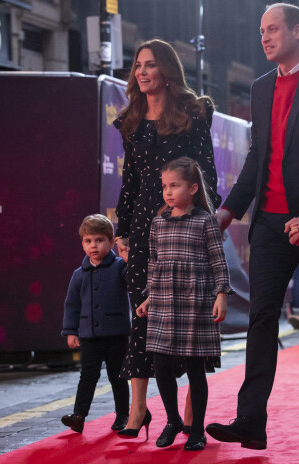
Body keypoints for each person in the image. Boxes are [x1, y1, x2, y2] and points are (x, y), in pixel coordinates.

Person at [206, 3, 299, 450]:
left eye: (272, 29)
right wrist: (228, 211)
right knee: (260, 318)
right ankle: (251, 420)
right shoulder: (259, 87)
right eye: (261, 31)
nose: (264, 38)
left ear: (298, 31)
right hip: (269, 225)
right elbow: (258, 156)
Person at [113, 39, 221, 437]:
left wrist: (205, 220)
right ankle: (139, 410)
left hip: (186, 227)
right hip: (144, 230)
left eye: (150, 65)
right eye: (137, 65)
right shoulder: (131, 121)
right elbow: (130, 182)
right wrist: (121, 230)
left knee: (190, 317)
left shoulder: (193, 113)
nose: (141, 72)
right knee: (144, 316)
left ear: (168, 71)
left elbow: (206, 172)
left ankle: (192, 409)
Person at [136, 157, 233, 451]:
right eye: (164, 186)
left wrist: (221, 295)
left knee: (194, 368)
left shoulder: (205, 221)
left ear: (192, 188)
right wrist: (150, 296)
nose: (167, 192)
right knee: (161, 365)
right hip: (164, 300)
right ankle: (172, 420)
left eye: (174, 185)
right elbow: (154, 264)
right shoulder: (157, 223)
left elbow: (219, 261)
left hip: (195, 302)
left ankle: (197, 429)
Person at [61, 214, 131, 433]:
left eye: (99, 240)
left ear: (111, 242)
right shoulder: (78, 275)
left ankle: (123, 415)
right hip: (89, 335)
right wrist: (71, 331)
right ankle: (79, 416)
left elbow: (135, 283)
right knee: (87, 376)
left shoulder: (121, 268)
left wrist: (130, 261)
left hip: (116, 334)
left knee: (117, 376)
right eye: (88, 241)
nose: (93, 245)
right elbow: (71, 305)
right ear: (82, 243)